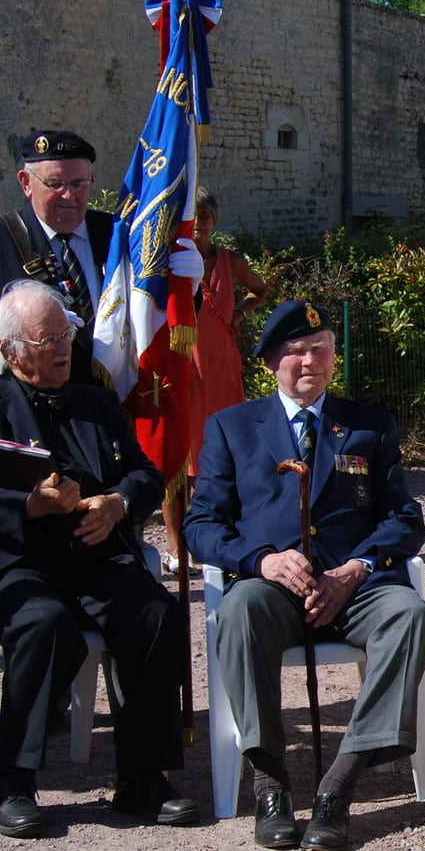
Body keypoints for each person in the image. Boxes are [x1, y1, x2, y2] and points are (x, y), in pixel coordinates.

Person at [0, 281, 201, 839]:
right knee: (45, 623)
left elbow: (144, 473)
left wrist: (117, 505)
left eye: (66, 333)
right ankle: (14, 782)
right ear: (10, 351)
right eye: (48, 339)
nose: (64, 346)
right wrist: (32, 505)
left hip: (95, 554)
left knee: (156, 615)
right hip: (16, 560)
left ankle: (142, 779)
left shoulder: (95, 402)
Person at [184, 300, 425, 851]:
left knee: (410, 615)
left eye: (320, 349)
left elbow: (404, 518)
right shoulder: (232, 428)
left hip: (353, 591)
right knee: (240, 609)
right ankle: (271, 782)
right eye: (295, 351)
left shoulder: (369, 426)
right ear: (271, 361)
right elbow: (201, 525)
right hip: (272, 590)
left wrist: (357, 567)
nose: (309, 361)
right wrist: (261, 561)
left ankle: (338, 788)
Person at [0, 130, 113, 384]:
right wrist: (27, 334)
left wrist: (189, 283)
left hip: (115, 402)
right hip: (33, 408)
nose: (68, 195)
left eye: (79, 184)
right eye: (55, 184)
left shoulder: (115, 233)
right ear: (26, 183)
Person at [164, 187, 267, 571]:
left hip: (222, 369)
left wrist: (239, 313)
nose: (198, 227)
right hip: (183, 366)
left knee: (226, 456)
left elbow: (261, 290)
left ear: (214, 220)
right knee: (180, 458)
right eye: (192, 220)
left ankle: (225, 540)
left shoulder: (230, 261)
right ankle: (177, 548)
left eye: (204, 219)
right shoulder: (168, 261)